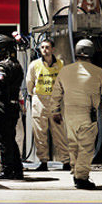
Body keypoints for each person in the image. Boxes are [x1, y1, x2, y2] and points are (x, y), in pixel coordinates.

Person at [48, 39, 102, 190]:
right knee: (86, 147)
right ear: (92, 53)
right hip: (87, 113)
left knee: (73, 145)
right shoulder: (99, 72)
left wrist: (55, 111)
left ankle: (76, 172)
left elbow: (56, 94)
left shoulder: (65, 70)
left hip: (69, 113)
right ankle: (82, 178)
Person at [24, 38, 68, 169]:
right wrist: (34, 96)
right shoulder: (34, 64)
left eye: (47, 47)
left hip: (55, 102)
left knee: (59, 132)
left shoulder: (60, 64)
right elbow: (29, 82)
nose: (44, 50)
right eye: (42, 47)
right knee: (40, 133)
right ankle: (43, 161)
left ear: (52, 49)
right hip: (40, 101)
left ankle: (66, 161)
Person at [0, 34, 26, 179]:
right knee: (11, 139)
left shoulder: (3, 66)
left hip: (2, 106)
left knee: (3, 140)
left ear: (3, 48)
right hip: (13, 105)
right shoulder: (17, 65)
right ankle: (17, 169)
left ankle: (7, 170)